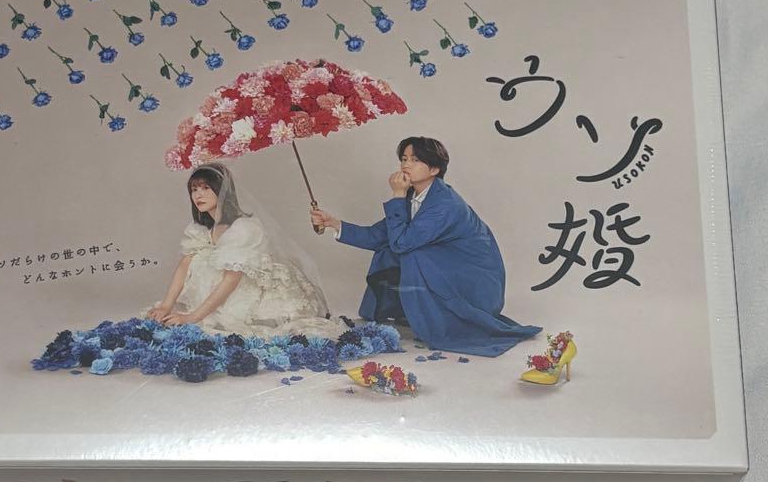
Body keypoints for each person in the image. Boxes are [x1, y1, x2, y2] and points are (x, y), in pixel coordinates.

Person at [309, 137, 541, 357]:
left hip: (475, 281)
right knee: (389, 250)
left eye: (415, 160)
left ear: (434, 169)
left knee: (412, 254)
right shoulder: (413, 196)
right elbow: (379, 236)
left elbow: (401, 243)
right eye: (404, 159)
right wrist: (333, 223)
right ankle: (410, 312)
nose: (406, 165)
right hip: (450, 268)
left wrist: (397, 195)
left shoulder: (444, 204)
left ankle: (437, 320)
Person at [147, 162, 346, 339]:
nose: (198, 195)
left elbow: (231, 280)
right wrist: (166, 305)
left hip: (251, 291)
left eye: (206, 188)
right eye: (194, 189)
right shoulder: (201, 230)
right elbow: (184, 266)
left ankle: (210, 314)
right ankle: (200, 311)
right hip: (224, 286)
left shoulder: (244, 228)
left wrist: (193, 317)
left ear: (221, 190)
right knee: (198, 259)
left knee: (234, 322)